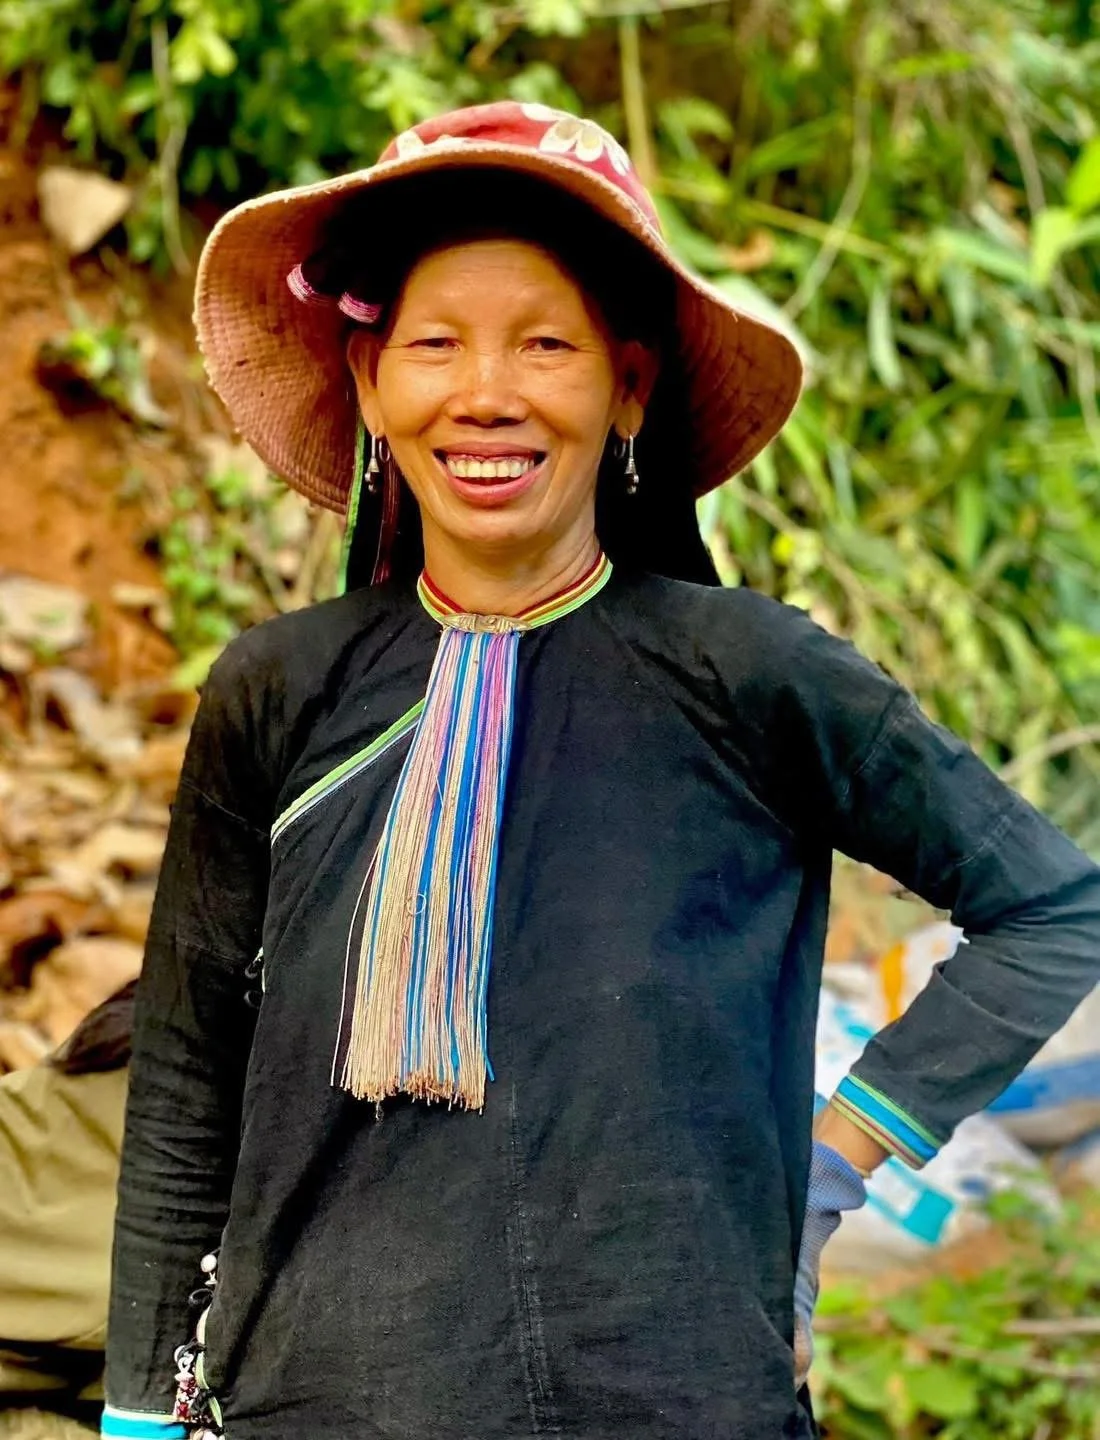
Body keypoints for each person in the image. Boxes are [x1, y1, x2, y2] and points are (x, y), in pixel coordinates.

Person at [102, 103, 1100, 1440]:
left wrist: (830, 1168)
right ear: (367, 382)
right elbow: (185, 1083)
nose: (487, 395)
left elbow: (1052, 908)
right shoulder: (280, 691)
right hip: (322, 1405)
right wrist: (136, 1417)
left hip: (674, 1399)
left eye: (547, 345)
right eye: (436, 345)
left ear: (627, 384)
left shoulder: (746, 674)